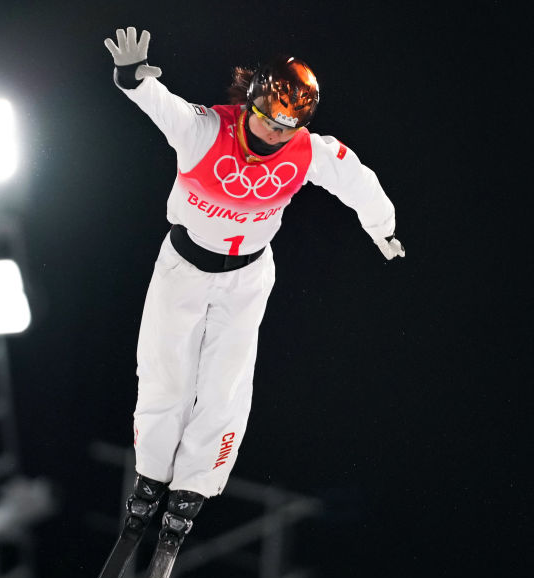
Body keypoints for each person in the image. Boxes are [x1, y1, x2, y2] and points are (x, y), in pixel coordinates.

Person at [105, 27, 404, 546]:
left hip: (246, 278)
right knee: (165, 373)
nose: (273, 136)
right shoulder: (204, 131)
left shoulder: (308, 152)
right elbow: (158, 103)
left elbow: (358, 181)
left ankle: (194, 485)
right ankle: (151, 475)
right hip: (183, 269)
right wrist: (131, 77)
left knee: (224, 385)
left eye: (287, 128)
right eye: (267, 120)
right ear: (250, 102)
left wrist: (383, 228)